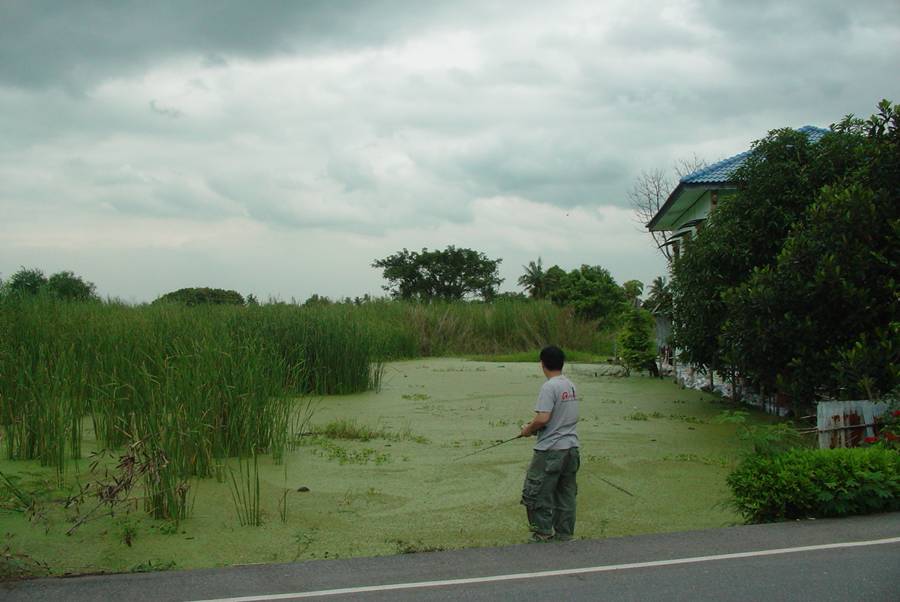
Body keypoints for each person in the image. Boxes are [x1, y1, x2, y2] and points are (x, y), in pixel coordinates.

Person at [519, 345, 580, 542]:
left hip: (550, 451)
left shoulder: (549, 386)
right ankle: (564, 535)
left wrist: (528, 429)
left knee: (536, 493)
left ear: (542, 364)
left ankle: (542, 533)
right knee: (565, 495)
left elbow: (543, 418)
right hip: (571, 449)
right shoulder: (570, 385)